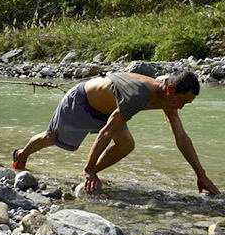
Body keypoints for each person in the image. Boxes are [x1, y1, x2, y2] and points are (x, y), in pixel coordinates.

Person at [11, 71, 220, 195]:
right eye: (183, 101)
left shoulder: (168, 95)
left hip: (109, 110)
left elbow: (181, 138)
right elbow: (106, 133)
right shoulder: (139, 95)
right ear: (171, 91)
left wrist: (201, 175)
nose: (182, 107)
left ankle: (89, 175)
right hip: (82, 102)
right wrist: (89, 169)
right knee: (52, 138)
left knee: (127, 144)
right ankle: (21, 155)